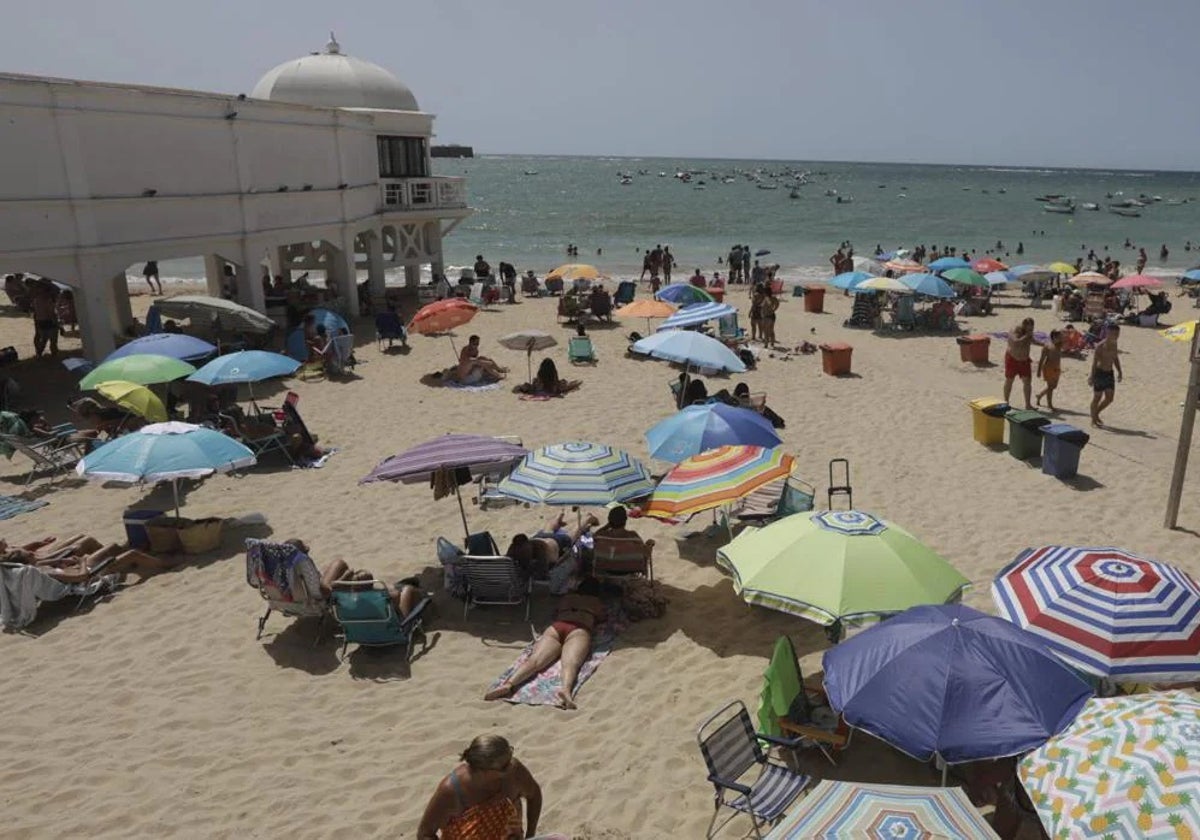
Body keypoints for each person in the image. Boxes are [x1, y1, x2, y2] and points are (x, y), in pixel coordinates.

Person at [484, 578, 606, 709]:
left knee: (534, 660)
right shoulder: (596, 602)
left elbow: (556, 611)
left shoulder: (567, 598)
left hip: (556, 627)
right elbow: (602, 618)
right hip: (578, 629)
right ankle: (565, 690)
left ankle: (508, 684)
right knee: (570, 664)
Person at [416, 734, 542, 839]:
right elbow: (425, 834)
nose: (511, 768)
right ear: (483, 770)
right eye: (504, 768)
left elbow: (534, 795)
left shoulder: (514, 771)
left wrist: (530, 836)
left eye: (510, 759)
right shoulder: (451, 791)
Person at [283, 538, 425, 617]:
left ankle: (399, 585)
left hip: (302, 597)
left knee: (338, 564)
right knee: (405, 591)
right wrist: (346, 577)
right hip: (322, 595)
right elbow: (327, 592)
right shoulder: (352, 602)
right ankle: (404, 587)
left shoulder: (283, 573)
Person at [506, 511, 598, 580]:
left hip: (557, 542)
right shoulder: (515, 548)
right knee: (547, 531)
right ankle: (558, 518)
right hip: (540, 537)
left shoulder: (540, 548)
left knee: (574, 534)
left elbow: (545, 571)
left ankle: (588, 518)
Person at [1089, 325, 1122, 426]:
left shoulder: (1115, 344)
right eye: (1114, 334)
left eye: (1118, 334)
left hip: (1109, 373)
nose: (1116, 336)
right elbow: (1094, 363)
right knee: (1097, 398)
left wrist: (1120, 371)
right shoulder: (1100, 346)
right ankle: (1093, 419)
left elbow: (1115, 358)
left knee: (1109, 398)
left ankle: (1096, 413)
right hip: (1100, 373)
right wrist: (1091, 376)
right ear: (1108, 333)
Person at [1003, 317, 1037, 410]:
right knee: (1009, 380)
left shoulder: (1028, 333)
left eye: (1032, 329)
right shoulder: (1015, 330)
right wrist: (1027, 335)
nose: (1031, 331)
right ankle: (1006, 401)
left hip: (1024, 361)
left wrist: (1044, 344)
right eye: (1029, 329)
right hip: (1012, 359)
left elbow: (1033, 341)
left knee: (1027, 382)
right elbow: (1015, 342)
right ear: (1024, 326)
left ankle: (1028, 405)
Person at [1035, 330, 1064, 412]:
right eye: (1059, 337)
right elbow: (1041, 359)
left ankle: (1039, 395)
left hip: (1057, 368)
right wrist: (1038, 371)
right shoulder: (1047, 346)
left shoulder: (1059, 344)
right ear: (1054, 337)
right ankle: (1049, 405)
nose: (1061, 338)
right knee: (1050, 387)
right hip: (1049, 368)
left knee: (1053, 386)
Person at [29, 279, 59, 357]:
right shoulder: (47, 299)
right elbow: (50, 313)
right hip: (49, 321)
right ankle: (54, 355)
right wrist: (56, 322)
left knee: (43, 339)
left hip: (40, 320)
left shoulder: (36, 299)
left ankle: (39, 354)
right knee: (53, 340)